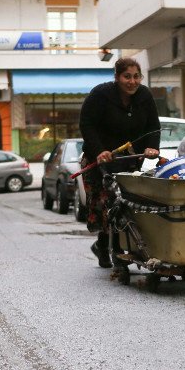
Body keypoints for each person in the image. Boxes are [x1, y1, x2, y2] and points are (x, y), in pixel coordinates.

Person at [79, 57, 161, 268]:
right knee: (107, 204)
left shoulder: (145, 96)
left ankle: (107, 246)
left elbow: (153, 126)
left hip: (128, 160)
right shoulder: (100, 95)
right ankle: (114, 249)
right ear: (117, 77)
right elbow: (86, 124)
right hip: (100, 162)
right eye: (127, 76)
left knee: (125, 204)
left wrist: (151, 148)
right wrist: (99, 151)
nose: (132, 81)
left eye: (136, 77)